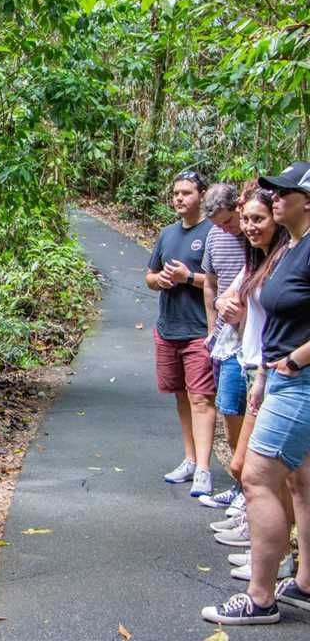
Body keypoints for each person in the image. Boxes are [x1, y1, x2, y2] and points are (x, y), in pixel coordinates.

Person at [202, 161, 310, 624]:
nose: (275, 198)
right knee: (301, 484)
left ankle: (261, 596)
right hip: (280, 376)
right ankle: (305, 585)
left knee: (256, 479)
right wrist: (267, 373)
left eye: (284, 192)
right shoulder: (291, 248)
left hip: (299, 381)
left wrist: (294, 361)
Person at [206, 185, 293, 576]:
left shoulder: (287, 258)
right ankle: (273, 552)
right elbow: (234, 298)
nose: (248, 226)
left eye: (258, 218)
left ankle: (271, 560)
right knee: (277, 476)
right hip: (257, 366)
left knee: (257, 471)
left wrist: (288, 362)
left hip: (278, 371)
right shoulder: (259, 258)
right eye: (246, 220)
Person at [145, 171, 217, 496]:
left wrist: (190, 277)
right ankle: (189, 459)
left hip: (199, 329)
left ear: (201, 195)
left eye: (186, 193)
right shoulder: (167, 234)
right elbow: (149, 275)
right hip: (168, 327)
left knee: (201, 397)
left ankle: (204, 468)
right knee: (181, 396)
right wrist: (159, 279)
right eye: (175, 193)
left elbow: (224, 279)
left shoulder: (214, 232)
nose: (179, 198)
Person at [199, 183, 246, 508]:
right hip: (225, 338)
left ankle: (249, 490)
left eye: (229, 221)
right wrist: (211, 328)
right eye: (218, 225)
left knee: (241, 412)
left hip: (252, 339)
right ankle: (242, 488)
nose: (226, 229)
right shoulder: (216, 236)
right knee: (230, 412)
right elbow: (210, 283)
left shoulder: (257, 235)